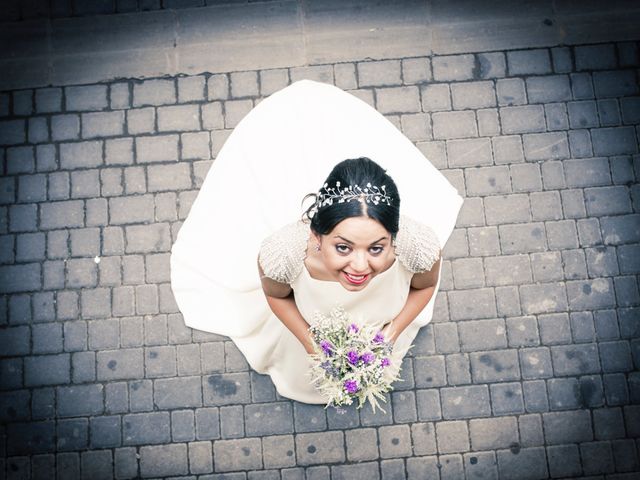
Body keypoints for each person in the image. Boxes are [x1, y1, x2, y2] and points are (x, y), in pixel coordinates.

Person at [170, 79, 463, 404]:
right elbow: (277, 297)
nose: (360, 266)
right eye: (343, 247)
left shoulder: (418, 246)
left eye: (377, 248)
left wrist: (390, 334)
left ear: (394, 237)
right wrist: (312, 344)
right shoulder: (282, 255)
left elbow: (423, 287)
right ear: (316, 235)